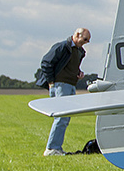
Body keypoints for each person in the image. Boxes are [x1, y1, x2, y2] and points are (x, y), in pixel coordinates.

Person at [36, 28, 90, 156]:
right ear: (77, 35)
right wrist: (51, 83)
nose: (86, 42)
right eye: (85, 39)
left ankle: (56, 148)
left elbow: (71, 66)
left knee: (65, 118)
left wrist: (79, 73)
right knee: (61, 116)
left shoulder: (80, 51)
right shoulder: (61, 47)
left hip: (71, 85)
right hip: (60, 85)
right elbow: (45, 63)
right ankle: (52, 148)